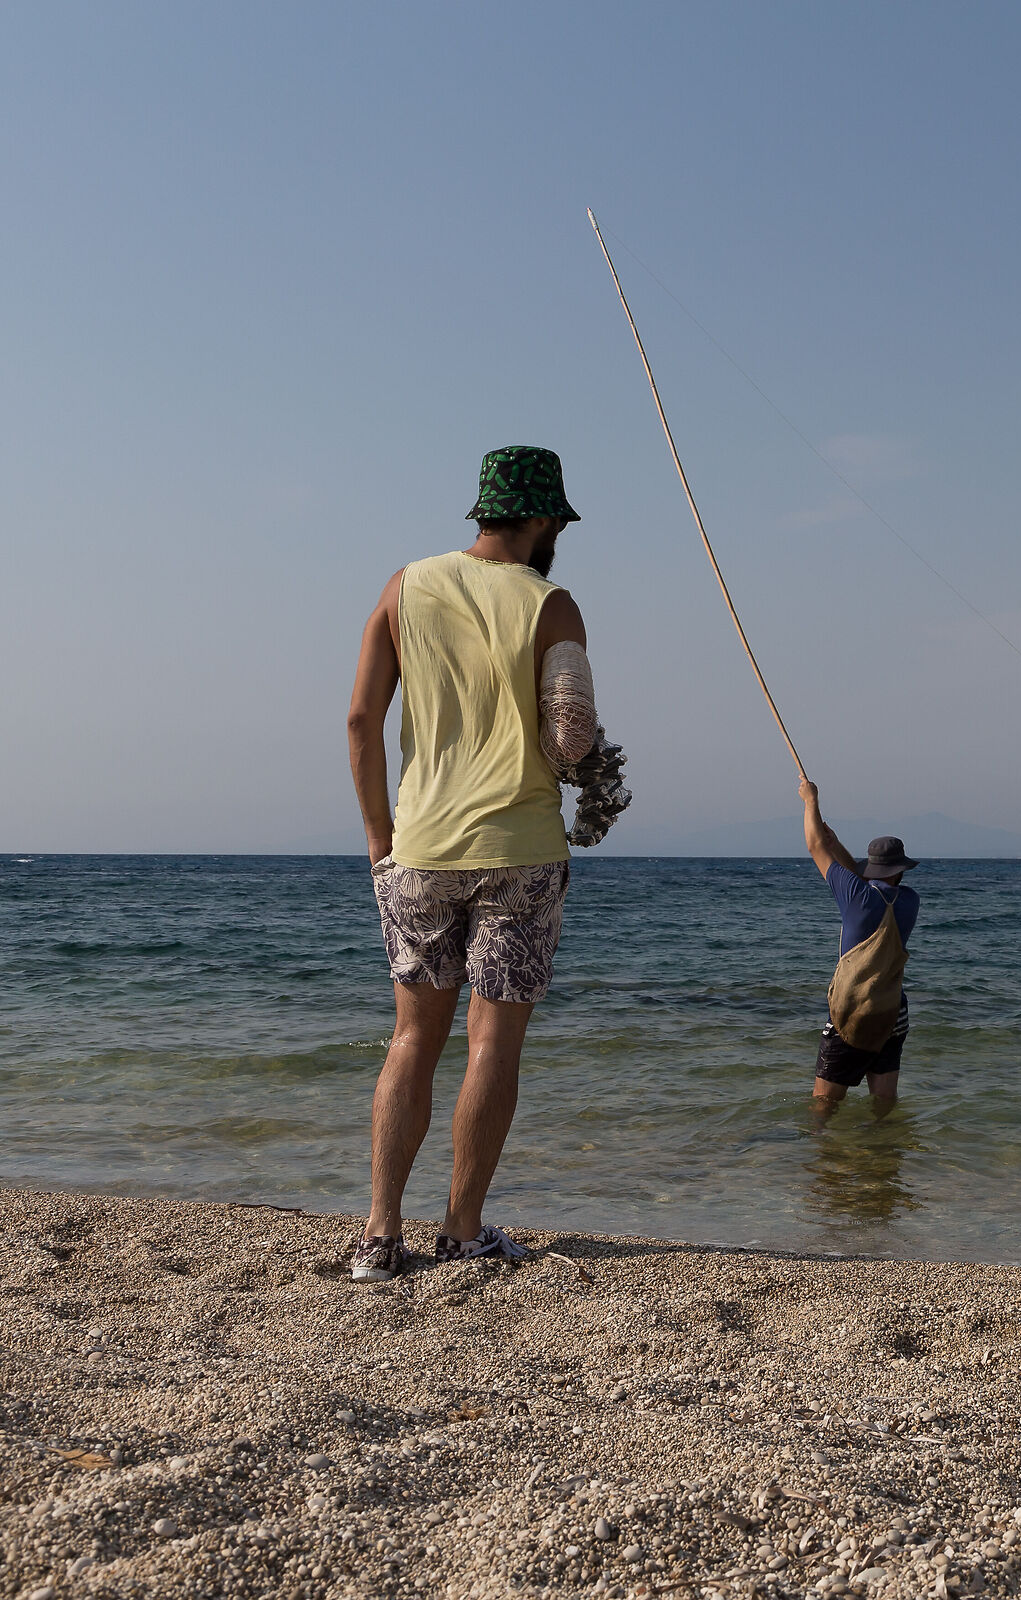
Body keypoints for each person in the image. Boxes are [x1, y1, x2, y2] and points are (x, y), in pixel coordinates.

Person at [342, 445, 603, 1282]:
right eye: (557, 519)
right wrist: (588, 769)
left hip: (419, 847)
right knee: (492, 1043)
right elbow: (570, 735)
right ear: (544, 519)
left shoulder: (404, 587)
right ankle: (460, 1229)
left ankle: (380, 1237)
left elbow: (360, 722)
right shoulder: (552, 604)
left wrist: (381, 835)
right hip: (520, 850)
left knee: (412, 1039)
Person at [800, 779, 920, 1121]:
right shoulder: (910, 901)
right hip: (892, 1013)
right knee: (884, 1103)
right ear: (900, 871)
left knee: (824, 1105)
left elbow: (813, 845)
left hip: (852, 1014)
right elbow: (865, 883)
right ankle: (882, 1162)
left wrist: (811, 801)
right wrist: (836, 846)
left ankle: (823, 1165)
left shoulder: (857, 897)